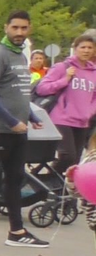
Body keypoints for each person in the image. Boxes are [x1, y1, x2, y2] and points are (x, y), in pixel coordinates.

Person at [0, 11, 48, 247]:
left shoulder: (19, 55)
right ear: (6, 27)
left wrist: (30, 116)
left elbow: (18, 92)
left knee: (15, 180)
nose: (19, 32)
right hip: (1, 131)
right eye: (15, 28)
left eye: (24, 28)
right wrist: (10, 121)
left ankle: (17, 232)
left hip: (18, 130)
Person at [34, 30, 96, 173]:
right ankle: (45, 179)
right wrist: (65, 80)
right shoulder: (63, 67)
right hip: (61, 119)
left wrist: (89, 111)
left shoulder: (94, 72)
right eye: (82, 47)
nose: (86, 51)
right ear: (75, 49)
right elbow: (42, 88)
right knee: (67, 156)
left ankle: (62, 188)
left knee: (74, 161)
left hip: (82, 121)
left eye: (90, 48)